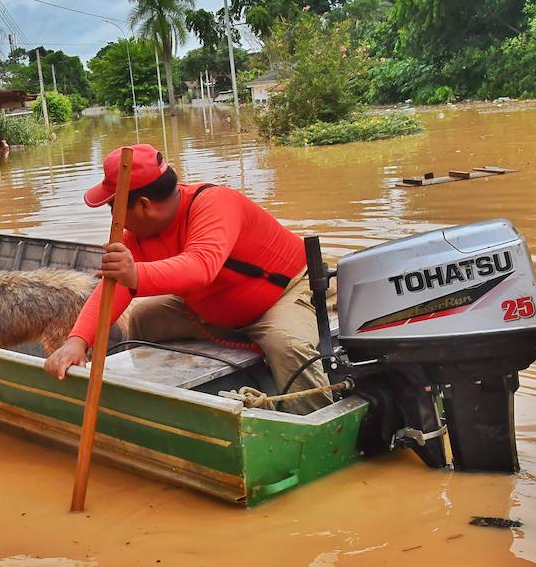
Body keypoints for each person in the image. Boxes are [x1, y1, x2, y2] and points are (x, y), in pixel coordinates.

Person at [43, 144, 331, 414]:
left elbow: (201, 266)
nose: (115, 221)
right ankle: (152, 407)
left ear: (143, 205)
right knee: (144, 317)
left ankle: (319, 436)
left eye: (115, 209)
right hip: (212, 307)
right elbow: (117, 287)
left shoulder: (215, 204)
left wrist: (135, 273)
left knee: (287, 345)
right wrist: (77, 341)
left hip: (285, 293)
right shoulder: (138, 236)